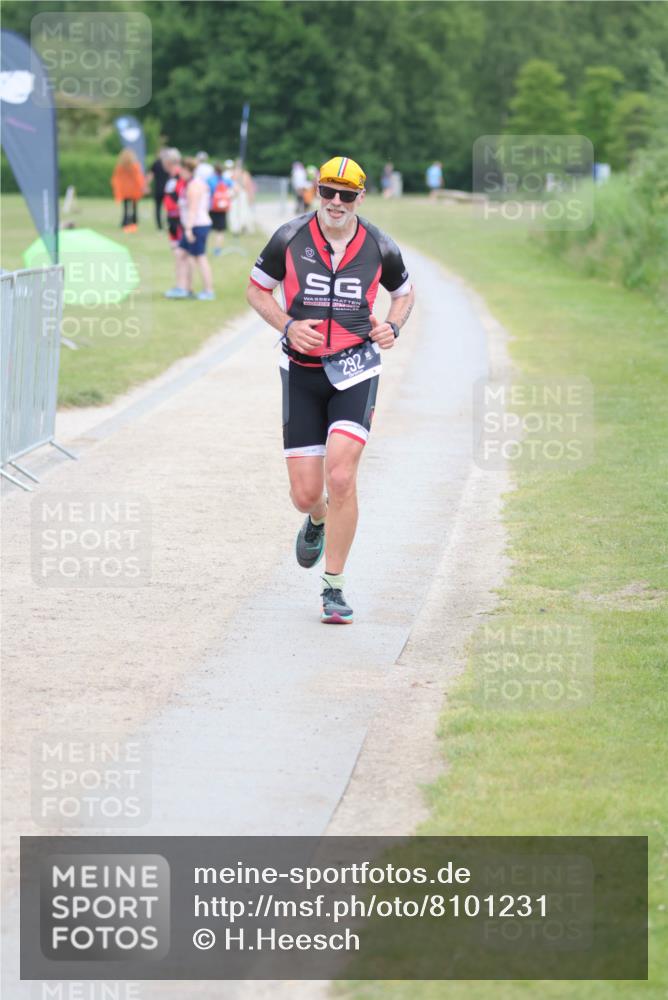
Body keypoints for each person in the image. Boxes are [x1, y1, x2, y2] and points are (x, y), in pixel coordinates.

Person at [246, 155, 414, 624]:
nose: (335, 202)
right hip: (302, 369)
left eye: (346, 195)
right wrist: (286, 325)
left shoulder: (380, 245)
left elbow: (404, 294)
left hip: (356, 366)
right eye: (327, 192)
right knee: (306, 493)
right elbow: (257, 290)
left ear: (361, 197)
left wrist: (393, 328)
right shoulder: (289, 237)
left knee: (341, 477)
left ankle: (334, 587)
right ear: (316, 192)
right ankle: (317, 518)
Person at [165, 157, 214, 301]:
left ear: (187, 170)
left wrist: (188, 229)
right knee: (180, 254)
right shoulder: (190, 184)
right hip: (193, 225)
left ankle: (208, 291)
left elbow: (193, 209)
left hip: (197, 226)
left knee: (200, 258)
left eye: (182, 170)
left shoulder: (194, 186)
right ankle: (182, 287)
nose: (179, 173)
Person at [111, 148, 145, 232]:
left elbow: (116, 178)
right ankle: (134, 221)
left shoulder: (120, 167)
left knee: (125, 207)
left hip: (124, 190)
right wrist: (142, 186)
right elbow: (138, 178)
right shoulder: (135, 166)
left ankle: (125, 222)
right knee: (134, 207)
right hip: (133, 189)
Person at [207, 161, 233, 255]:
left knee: (209, 229)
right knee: (220, 231)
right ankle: (217, 249)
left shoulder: (210, 180)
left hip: (212, 207)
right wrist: (229, 198)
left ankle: (206, 248)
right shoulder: (226, 180)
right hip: (222, 208)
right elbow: (235, 189)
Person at [146, 147, 169, 229]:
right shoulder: (168, 163)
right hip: (167, 190)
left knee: (158, 208)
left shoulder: (156, 163)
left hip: (160, 189)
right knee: (168, 208)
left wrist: (146, 185)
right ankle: (167, 224)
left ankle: (159, 226)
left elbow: (150, 176)